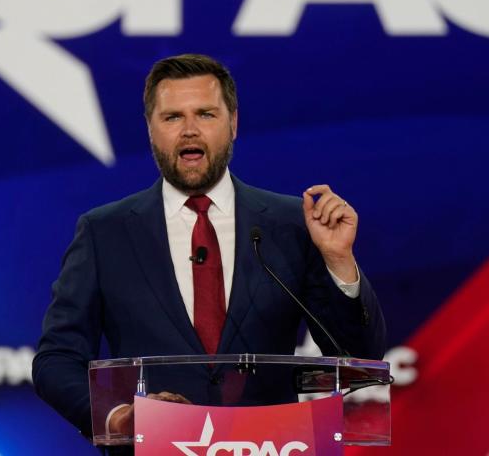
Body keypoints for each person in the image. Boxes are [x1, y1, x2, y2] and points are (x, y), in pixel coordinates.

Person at [32, 54, 386, 445]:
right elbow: (56, 361)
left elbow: (359, 357)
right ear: (151, 129)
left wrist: (339, 261)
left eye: (205, 114)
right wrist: (119, 418)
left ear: (232, 124)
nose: (189, 131)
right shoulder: (104, 232)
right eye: (172, 117)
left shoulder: (291, 224)